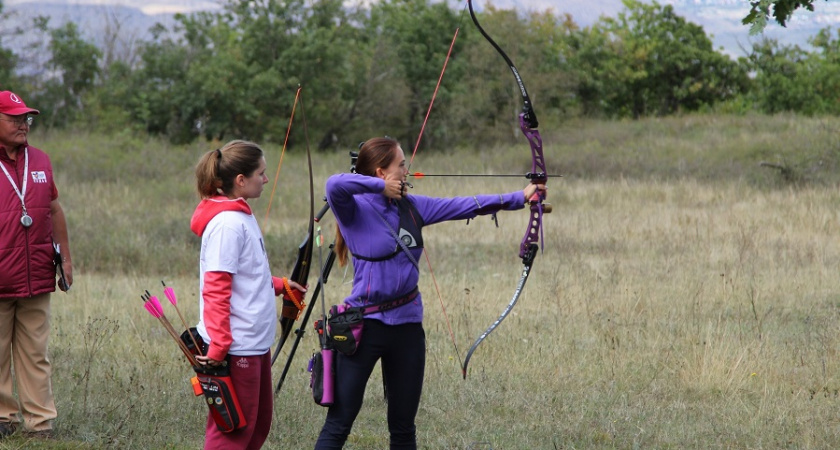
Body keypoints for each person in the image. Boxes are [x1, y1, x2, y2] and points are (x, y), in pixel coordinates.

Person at [315, 137, 545, 449]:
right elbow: (334, 184)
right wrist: (378, 188)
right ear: (382, 173)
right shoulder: (353, 209)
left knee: (403, 428)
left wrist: (520, 197)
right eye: (401, 164)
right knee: (339, 423)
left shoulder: (412, 207)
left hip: (407, 327)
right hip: (363, 328)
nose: (407, 169)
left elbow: (465, 204)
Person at [190, 140, 306, 449]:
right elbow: (215, 289)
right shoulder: (228, 224)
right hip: (236, 346)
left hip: (253, 343)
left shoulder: (240, 215)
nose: (266, 179)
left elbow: (246, 273)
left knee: (256, 428)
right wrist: (219, 347)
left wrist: (280, 285)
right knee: (232, 434)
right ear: (240, 180)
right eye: (261, 173)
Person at [0, 90, 72, 439]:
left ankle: (40, 424)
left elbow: (54, 209)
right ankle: (4, 418)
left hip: (36, 276)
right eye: (13, 118)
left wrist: (66, 259)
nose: (22, 124)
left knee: (36, 354)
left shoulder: (40, 160)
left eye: (25, 118)